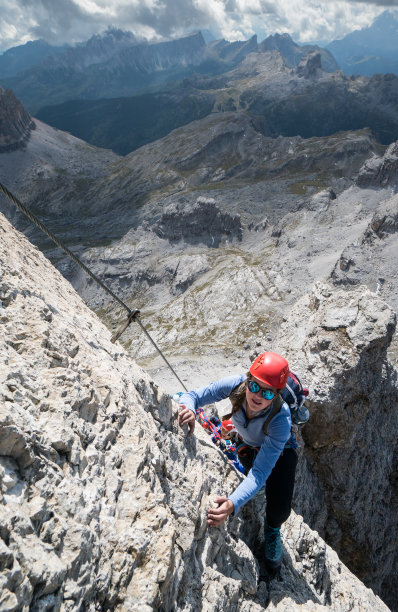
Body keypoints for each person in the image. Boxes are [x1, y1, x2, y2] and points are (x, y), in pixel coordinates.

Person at [178, 351, 298, 570]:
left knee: (279, 508)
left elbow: (260, 473)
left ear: (277, 394)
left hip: (280, 453)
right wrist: (187, 409)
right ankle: (257, 491)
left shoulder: (281, 419)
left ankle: (272, 530)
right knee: (254, 480)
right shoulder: (236, 385)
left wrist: (233, 504)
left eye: (268, 393)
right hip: (247, 444)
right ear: (248, 380)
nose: (257, 396)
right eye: (254, 386)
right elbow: (194, 396)